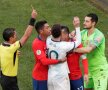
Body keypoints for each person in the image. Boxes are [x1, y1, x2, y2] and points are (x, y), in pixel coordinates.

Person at [0, 9, 37, 90]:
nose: (17, 37)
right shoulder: (11, 49)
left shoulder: (1, 46)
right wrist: (33, 19)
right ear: (10, 38)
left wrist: (13, 54)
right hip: (9, 80)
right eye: (15, 35)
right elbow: (26, 35)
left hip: (3, 77)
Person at [74, 13, 108, 90]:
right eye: (84, 21)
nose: (84, 23)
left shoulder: (99, 35)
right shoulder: (83, 33)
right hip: (88, 70)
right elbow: (72, 38)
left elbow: (89, 49)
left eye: (87, 21)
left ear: (93, 23)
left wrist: (74, 49)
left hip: (99, 70)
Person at [46, 17, 81, 90]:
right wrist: (77, 27)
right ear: (61, 34)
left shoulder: (48, 40)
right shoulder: (64, 45)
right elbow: (78, 42)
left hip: (50, 76)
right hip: (61, 78)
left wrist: (70, 35)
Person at [32, 20, 66, 90]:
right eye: (47, 28)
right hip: (40, 77)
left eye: (49, 27)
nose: (50, 29)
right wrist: (59, 60)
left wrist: (71, 35)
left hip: (50, 75)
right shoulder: (36, 44)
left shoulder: (50, 38)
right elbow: (44, 61)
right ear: (41, 31)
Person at [61, 25, 88, 90]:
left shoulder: (76, 43)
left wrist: (86, 73)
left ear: (66, 34)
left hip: (75, 77)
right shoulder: (58, 43)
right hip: (63, 78)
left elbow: (84, 59)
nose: (58, 36)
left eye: (60, 35)